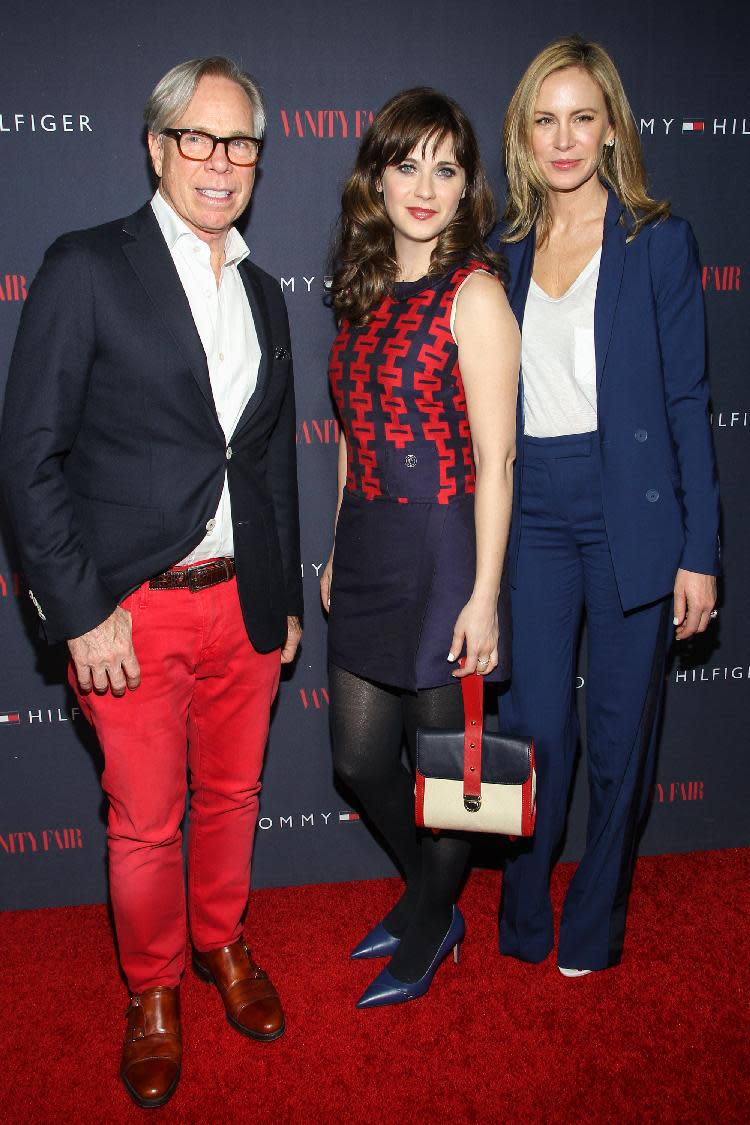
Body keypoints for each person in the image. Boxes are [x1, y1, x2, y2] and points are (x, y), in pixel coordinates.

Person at [0, 57, 302, 1107]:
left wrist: (286, 598)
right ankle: (153, 990)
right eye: (199, 140)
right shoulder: (86, 266)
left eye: (242, 145)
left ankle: (222, 945)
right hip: (128, 610)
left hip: (242, 606)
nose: (221, 164)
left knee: (234, 795)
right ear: (157, 146)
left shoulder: (266, 293)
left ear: (260, 160)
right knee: (143, 823)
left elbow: (266, 461)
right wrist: (81, 615)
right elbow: (28, 456)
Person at [495, 35, 720, 976]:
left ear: (612, 128)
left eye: (582, 117)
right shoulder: (505, 248)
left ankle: (594, 923)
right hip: (535, 508)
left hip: (631, 506)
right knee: (538, 726)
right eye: (545, 119)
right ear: (524, 132)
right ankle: (523, 906)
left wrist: (700, 548)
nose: (563, 138)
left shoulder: (656, 239)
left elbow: (686, 401)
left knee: (623, 733)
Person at [321, 88, 520, 1008]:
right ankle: (431, 894)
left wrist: (484, 593)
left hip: (444, 547)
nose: (426, 186)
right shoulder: (360, 288)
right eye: (409, 164)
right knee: (360, 760)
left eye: (446, 167)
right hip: (365, 542)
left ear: (466, 184)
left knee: (447, 777)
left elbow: (497, 457)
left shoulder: (473, 292)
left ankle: (434, 914)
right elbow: (354, 438)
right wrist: (331, 546)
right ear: (379, 176)